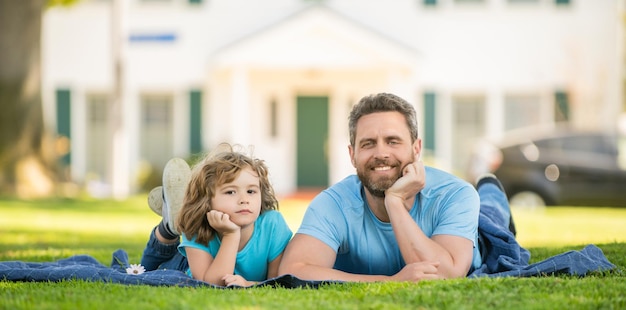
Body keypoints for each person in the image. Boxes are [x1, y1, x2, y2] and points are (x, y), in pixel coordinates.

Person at [278, 92, 516, 282]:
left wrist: (394, 202)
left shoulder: (455, 194)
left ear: (416, 148)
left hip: (480, 233)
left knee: (491, 214)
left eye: (393, 141)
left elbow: (446, 275)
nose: (381, 153)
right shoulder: (333, 203)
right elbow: (294, 270)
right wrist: (389, 281)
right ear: (352, 155)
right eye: (368, 144)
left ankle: (490, 188)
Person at [140, 143, 293, 287]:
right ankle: (168, 226)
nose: (244, 200)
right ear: (206, 200)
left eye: (251, 191)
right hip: (184, 266)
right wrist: (231, 235)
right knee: (145, 271)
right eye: (230, 192)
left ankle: (176, 213)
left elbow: (276, 282)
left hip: (201, 261)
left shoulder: (273, 224)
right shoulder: (197, 224)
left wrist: (248, 284)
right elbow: (210, 284)